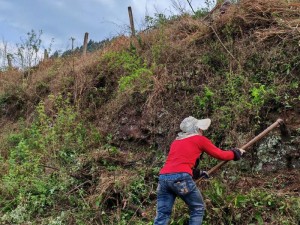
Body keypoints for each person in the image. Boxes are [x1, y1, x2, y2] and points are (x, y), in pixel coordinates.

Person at [153, 116, 245, 225]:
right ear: (196, 129)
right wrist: (236, 153)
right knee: (197, 208)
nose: (202, 131)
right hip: (180, 178)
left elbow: (177, 163)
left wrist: (197, 173)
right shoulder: (199, 139)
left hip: (163, 179)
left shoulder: (176, 142)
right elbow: (220, 154)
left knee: (162, 214)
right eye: (200, 129)